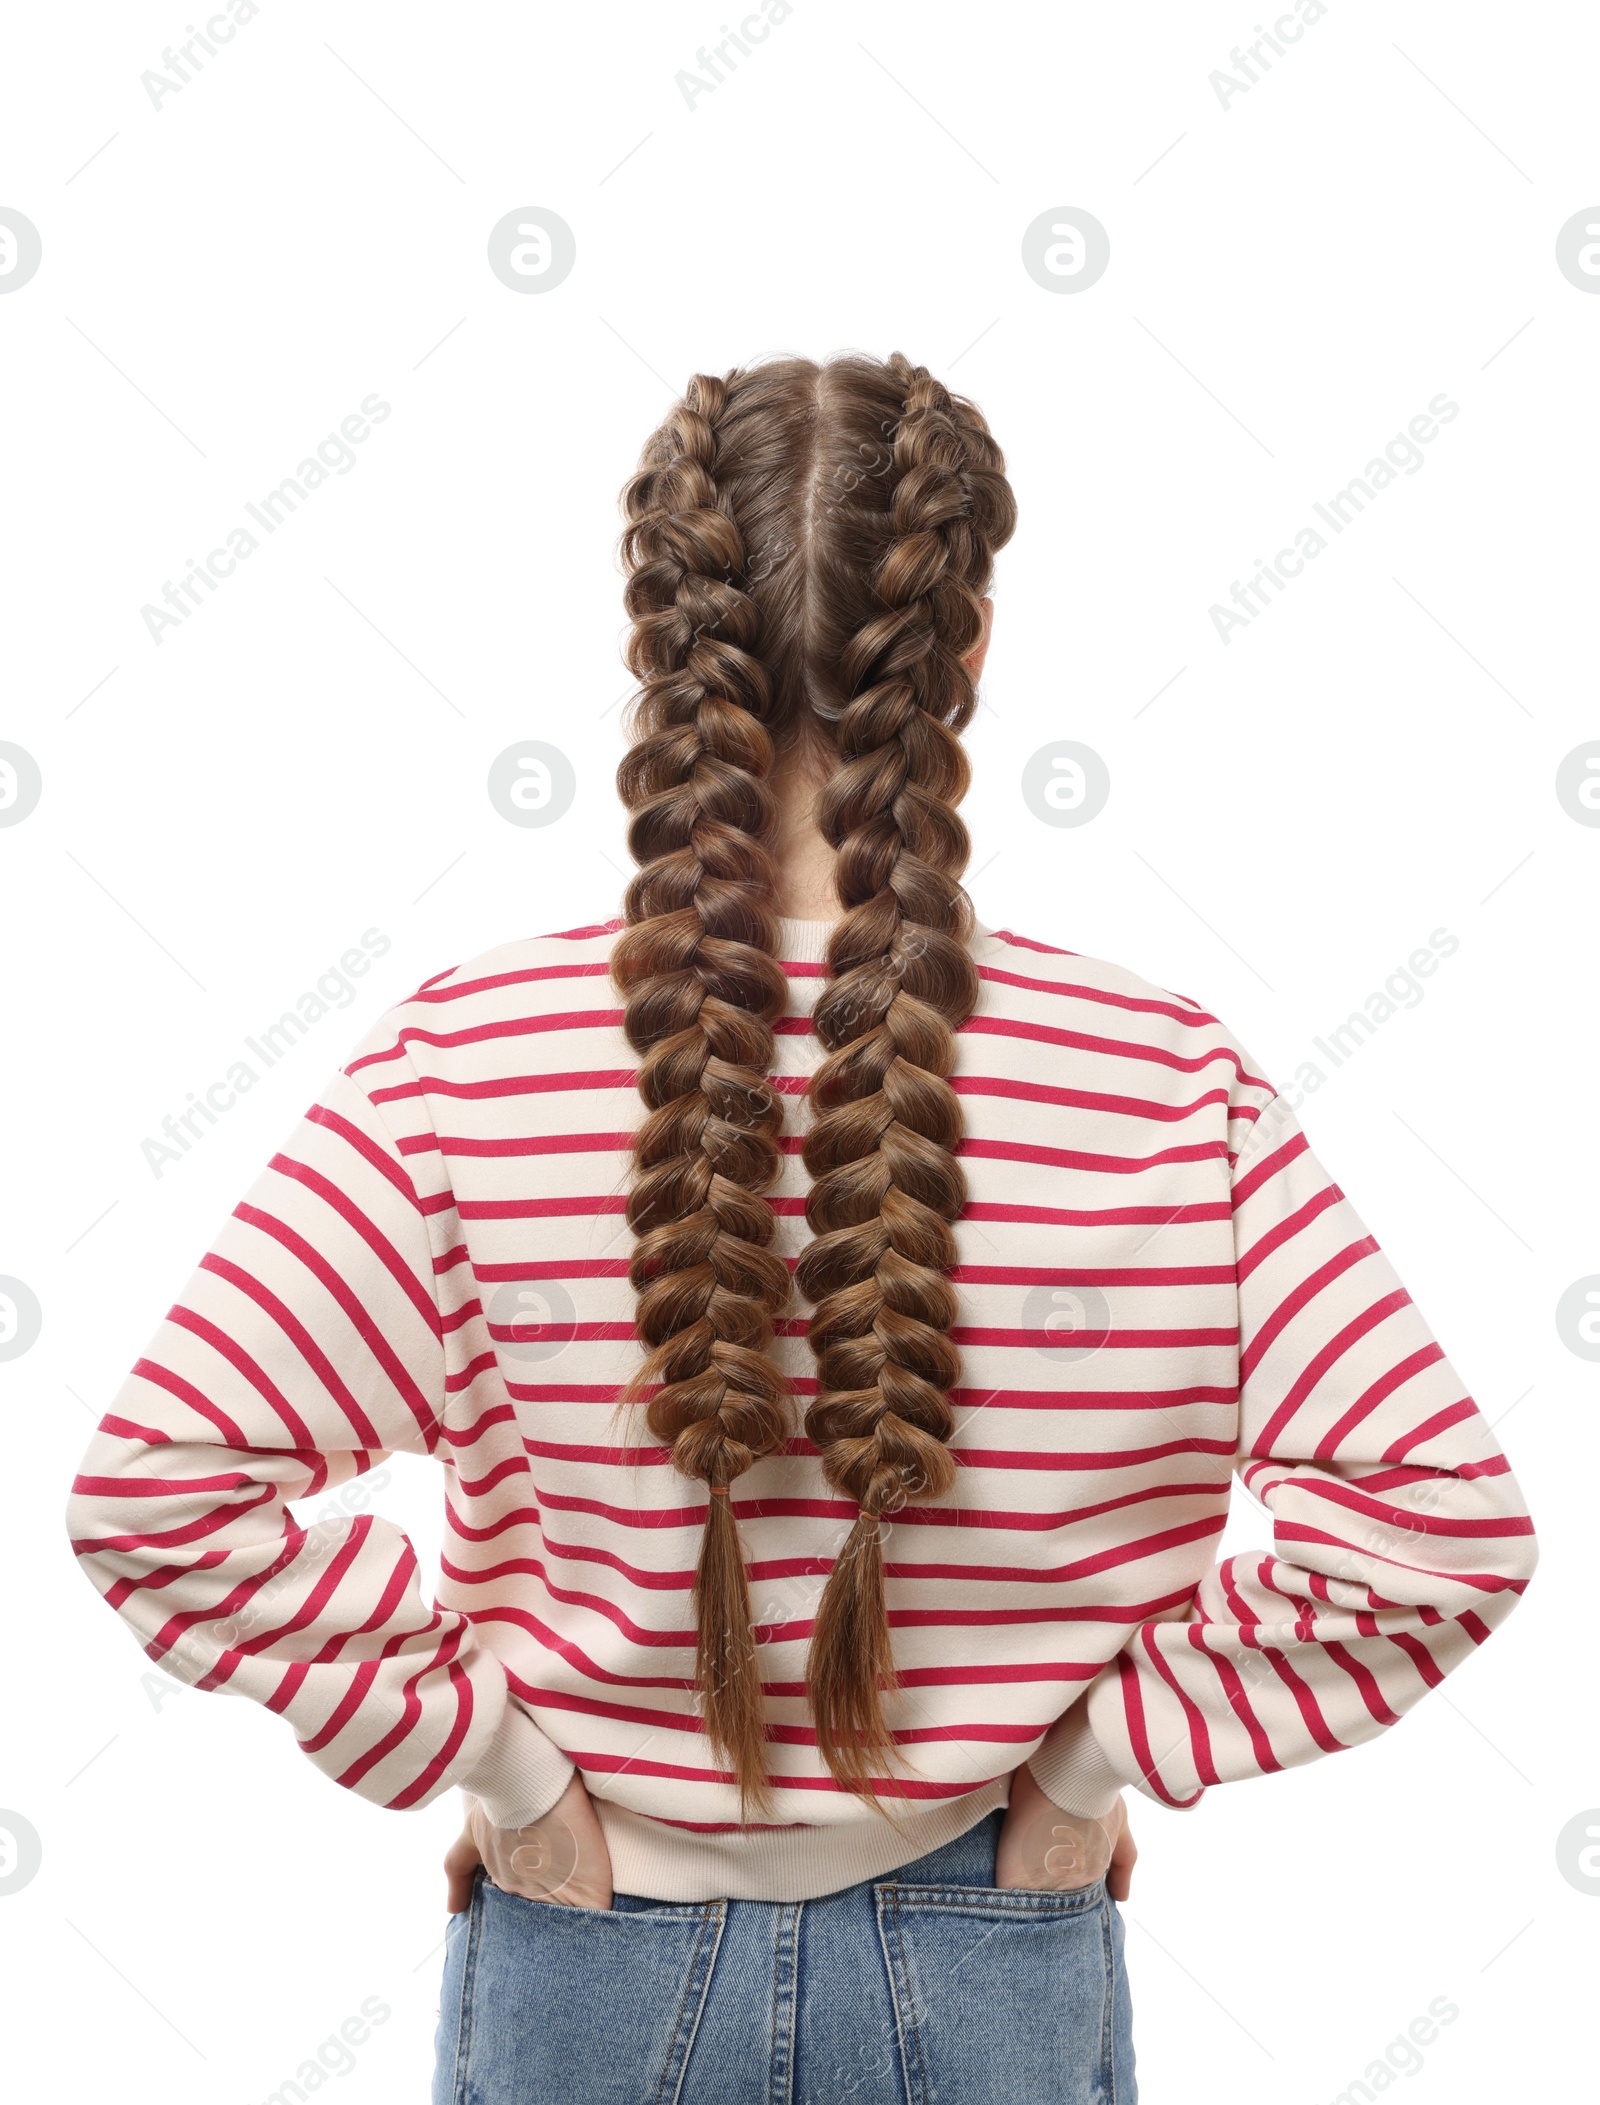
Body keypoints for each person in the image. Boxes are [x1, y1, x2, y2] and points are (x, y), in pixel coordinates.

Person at [66, 354, 1537, 2105]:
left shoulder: (463, 1071)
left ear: (660, 657)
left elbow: (161, 1491)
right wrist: (1086, 1768)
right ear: (965, 653)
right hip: (994, 1958)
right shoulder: (1162, 1084)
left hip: (591, 1960)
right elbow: (1441, 1529)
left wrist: (505, 1769)